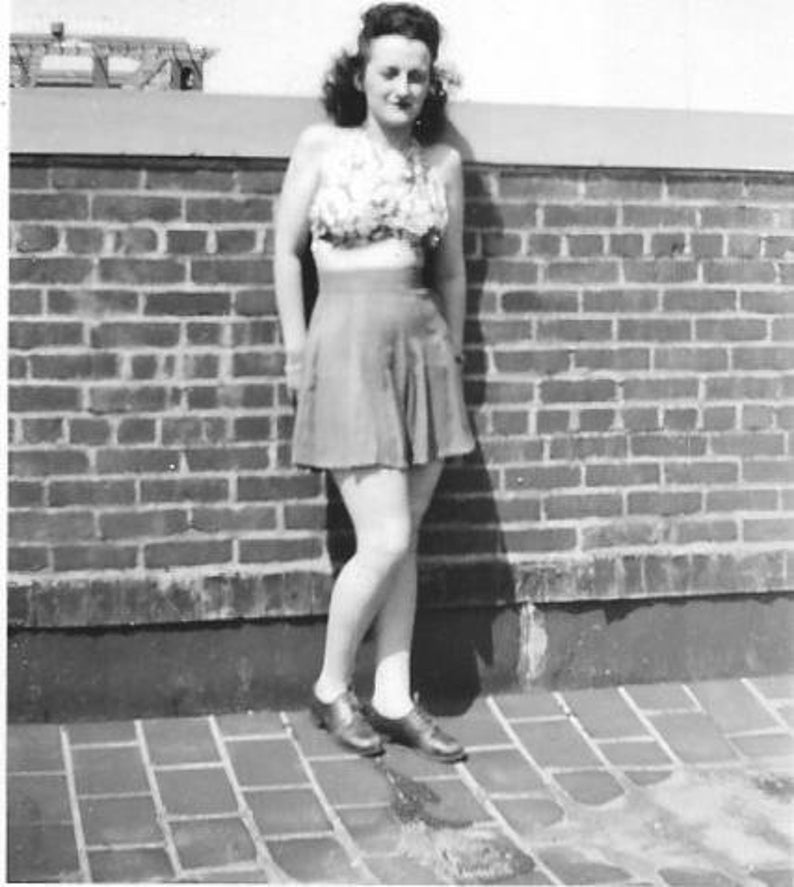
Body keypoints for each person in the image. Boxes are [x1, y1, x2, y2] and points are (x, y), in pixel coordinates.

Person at [274, 2, 474, 762]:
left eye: (417, 75)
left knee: (404, 538)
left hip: (421, 351)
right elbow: (286, 253)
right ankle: (332, 685)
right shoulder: (321, 145)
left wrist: (449, 350)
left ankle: (393, 695)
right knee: (385, 534)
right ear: (360, 74)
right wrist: (298, 349)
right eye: (389, 71)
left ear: (431, 83)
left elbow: (450, 269)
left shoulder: (443, 164)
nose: (404, 86)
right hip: (348, 348)